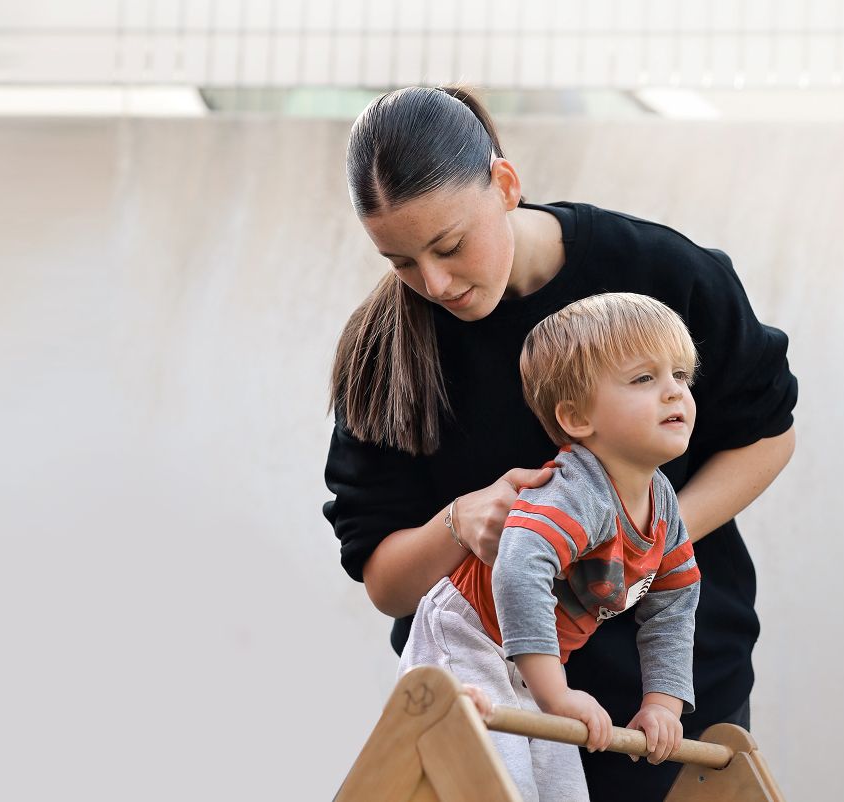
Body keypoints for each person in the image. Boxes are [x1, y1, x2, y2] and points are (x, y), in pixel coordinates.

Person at [324, 85, 798, 800]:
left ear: (505, 184)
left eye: (450, 245)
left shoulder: (661, 272)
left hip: (666, 703)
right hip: (492, 717)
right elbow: (385, 583)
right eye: (401, 263)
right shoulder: (385, 355)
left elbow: (768, 437)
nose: (436, 282)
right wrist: (458, 524)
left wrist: (634, 550)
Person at [399, 293, 703, 801]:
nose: (674, 392)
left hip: (534, 661)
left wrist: (662, 705)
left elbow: (674, 604)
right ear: (578, 419)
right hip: (470, 635)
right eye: (644, 379)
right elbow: (519, 570)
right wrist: (556, 694)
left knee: (563, 792)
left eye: (680, 375)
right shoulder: (575, 488)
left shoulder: (662, 504)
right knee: (501, 785)